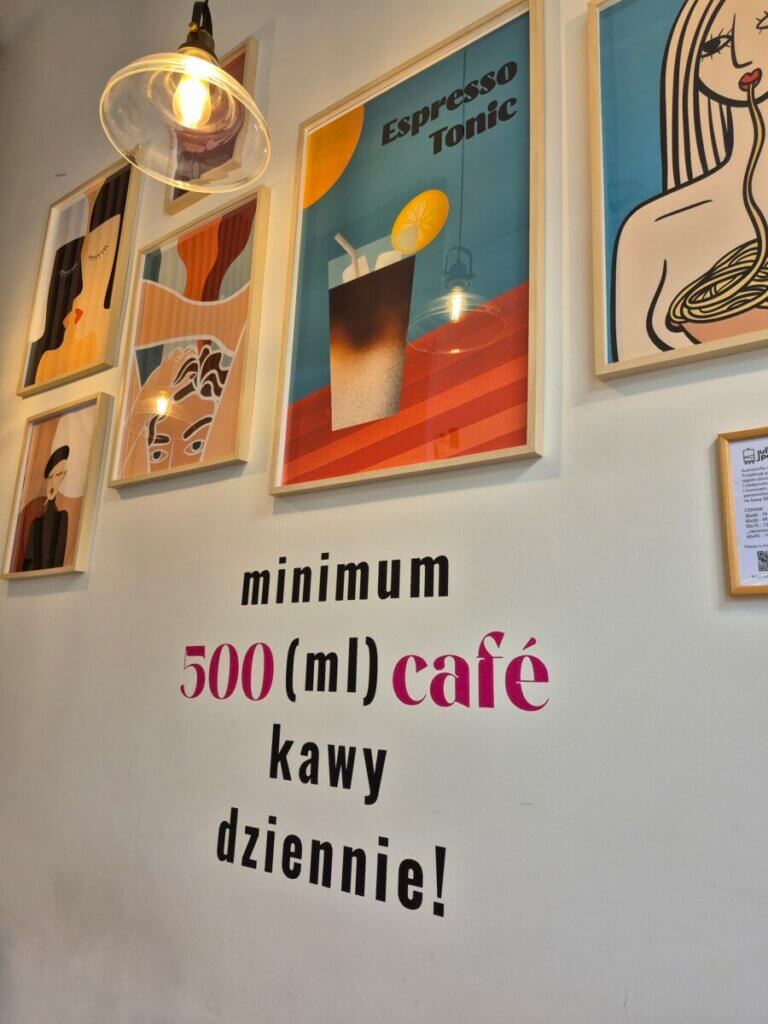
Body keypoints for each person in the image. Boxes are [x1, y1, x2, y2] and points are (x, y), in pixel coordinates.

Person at [613, 0, 768, 360]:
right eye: (716, 45)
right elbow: (633, 372)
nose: (742, 59)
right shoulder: (649, 229)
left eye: (764, 24)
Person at [22, 446, 69, 571]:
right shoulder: (36, 524)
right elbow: (28, 563)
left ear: (64, 477)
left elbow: (59, 559)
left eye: (58, 475)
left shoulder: (63, 517)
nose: (52, 482)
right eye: (50, 477)